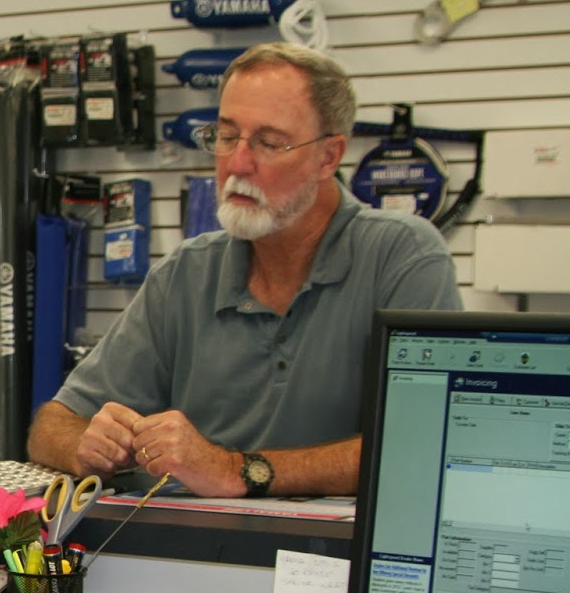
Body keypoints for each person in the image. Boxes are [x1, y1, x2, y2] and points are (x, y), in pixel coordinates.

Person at [27, 42, 462, 497]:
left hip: (331, 561)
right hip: (188, 553)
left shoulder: (404, 256)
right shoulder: (187, 273)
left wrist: (234, 470)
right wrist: (87, 446)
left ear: (328, 157)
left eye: (269, 143)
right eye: (227, 136)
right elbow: (51, 426)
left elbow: (426, 443)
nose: (237, 164)